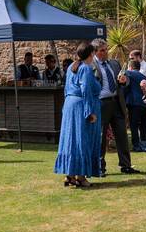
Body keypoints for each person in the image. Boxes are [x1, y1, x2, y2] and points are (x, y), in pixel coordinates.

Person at [54, 42, 101, 188]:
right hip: (80, 106)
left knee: (70, 140)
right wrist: (89, 112)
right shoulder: (86, 69)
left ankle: (70, 176)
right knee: (82, 140)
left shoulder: (71, 67)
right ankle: (81, 177)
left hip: (70, 105)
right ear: (91, 54)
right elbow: (85, 89)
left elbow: (66, 88)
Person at [91, 39, 138, 176]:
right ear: (95, 52)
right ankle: (100, 167)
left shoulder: (114, 63)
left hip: (117, 102)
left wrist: (124, 81)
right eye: (102, 50)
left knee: (122, 135)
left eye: (106, 49)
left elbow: (125, 80)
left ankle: (126, 165)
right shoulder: (90, 66)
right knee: (101, 137)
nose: (106, 52)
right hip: (101, 104)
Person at [123, 60, 146, 152]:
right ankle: (145, 144)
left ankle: (136, 145)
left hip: (134, 103)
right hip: (145, 103)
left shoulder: (128, 73)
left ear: (130, 67)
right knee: (143, 124)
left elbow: (125, 87)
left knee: (134, 124)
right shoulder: (144, 77)